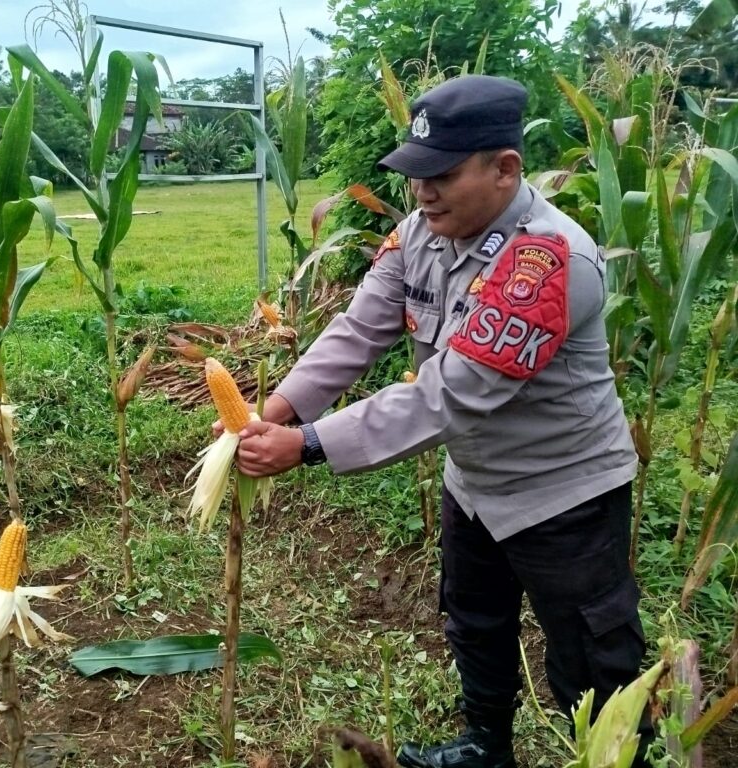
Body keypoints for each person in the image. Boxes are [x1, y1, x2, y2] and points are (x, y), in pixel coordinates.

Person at [231, 75, 646, 768]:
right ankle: (487, 747)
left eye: (442, 176)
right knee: (476, 625)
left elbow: (450, 393)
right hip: (476, 482)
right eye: (415, 176)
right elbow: (356, 332)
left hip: (562, 493)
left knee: (589, 657)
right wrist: (272, 410)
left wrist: (304, 445)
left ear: (504, 169)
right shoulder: (419, 235)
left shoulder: (547, 262)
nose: (422, 193)